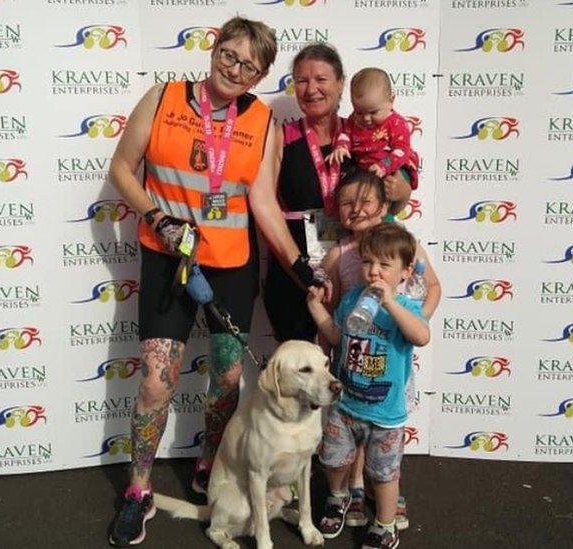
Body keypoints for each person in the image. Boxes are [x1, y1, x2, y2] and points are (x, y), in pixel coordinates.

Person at [106, 17, 322, 547]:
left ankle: (209, 465)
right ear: (214, 48)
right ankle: (139, 491)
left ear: (261, 74)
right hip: (168, 258)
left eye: (250, 65)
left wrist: (301, 268)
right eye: (230, 55)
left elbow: (264, 204)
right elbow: (122, 168)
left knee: (226, 382)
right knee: (157, 381)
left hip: (231, 268)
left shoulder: (264, 121)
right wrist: (156, 216)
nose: (235, 69)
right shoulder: (164, 98)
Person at [264, 44, 415, 343]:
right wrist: (300, 270)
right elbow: (264, 204)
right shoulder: (282, 137)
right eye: (302, 80)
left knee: (358, 360)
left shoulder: (365, 133)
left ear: (341, 83)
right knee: (300, 369)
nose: (311, 89)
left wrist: (404, 190)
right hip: (295, 272)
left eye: (321, 79)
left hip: (358, 268)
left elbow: (394, 203)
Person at [321, 170, 442, 531]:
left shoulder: (404, 244)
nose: (356, 209)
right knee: (348, 433)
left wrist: (411, 321)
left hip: (389, 355)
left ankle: (380, 496)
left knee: (381, 441)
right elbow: (332, 310)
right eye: (347, 203)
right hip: (353, 357)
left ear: (383, 205)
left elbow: (433, 286)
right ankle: (352, 490)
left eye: (365, 202)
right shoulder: (340, 252)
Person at [307, 223, 431, 549]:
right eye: (367, 263)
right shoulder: (350, 300)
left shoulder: (407, 308)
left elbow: (422, 336)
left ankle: (386, 526)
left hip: (385, 415)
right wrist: (315, 308)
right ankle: (337, 497)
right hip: (346, 406)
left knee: (384, 474)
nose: (374, 272)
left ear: (404, 272)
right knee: (333, 460)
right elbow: (336, 337)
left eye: (384, 265)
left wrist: (390, 303)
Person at [326, 67, 419, 218]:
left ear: (391, 101)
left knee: (382, 211)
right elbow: (345, 134)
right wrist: (341, 147)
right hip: (367, 171)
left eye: (373, 112)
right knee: (364, 209)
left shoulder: (396, 123)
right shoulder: (354, 119)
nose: (366, 118)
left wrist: (384, 166)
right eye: (359, 112)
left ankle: (385, 236)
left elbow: (402, 151)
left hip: (393, 168)